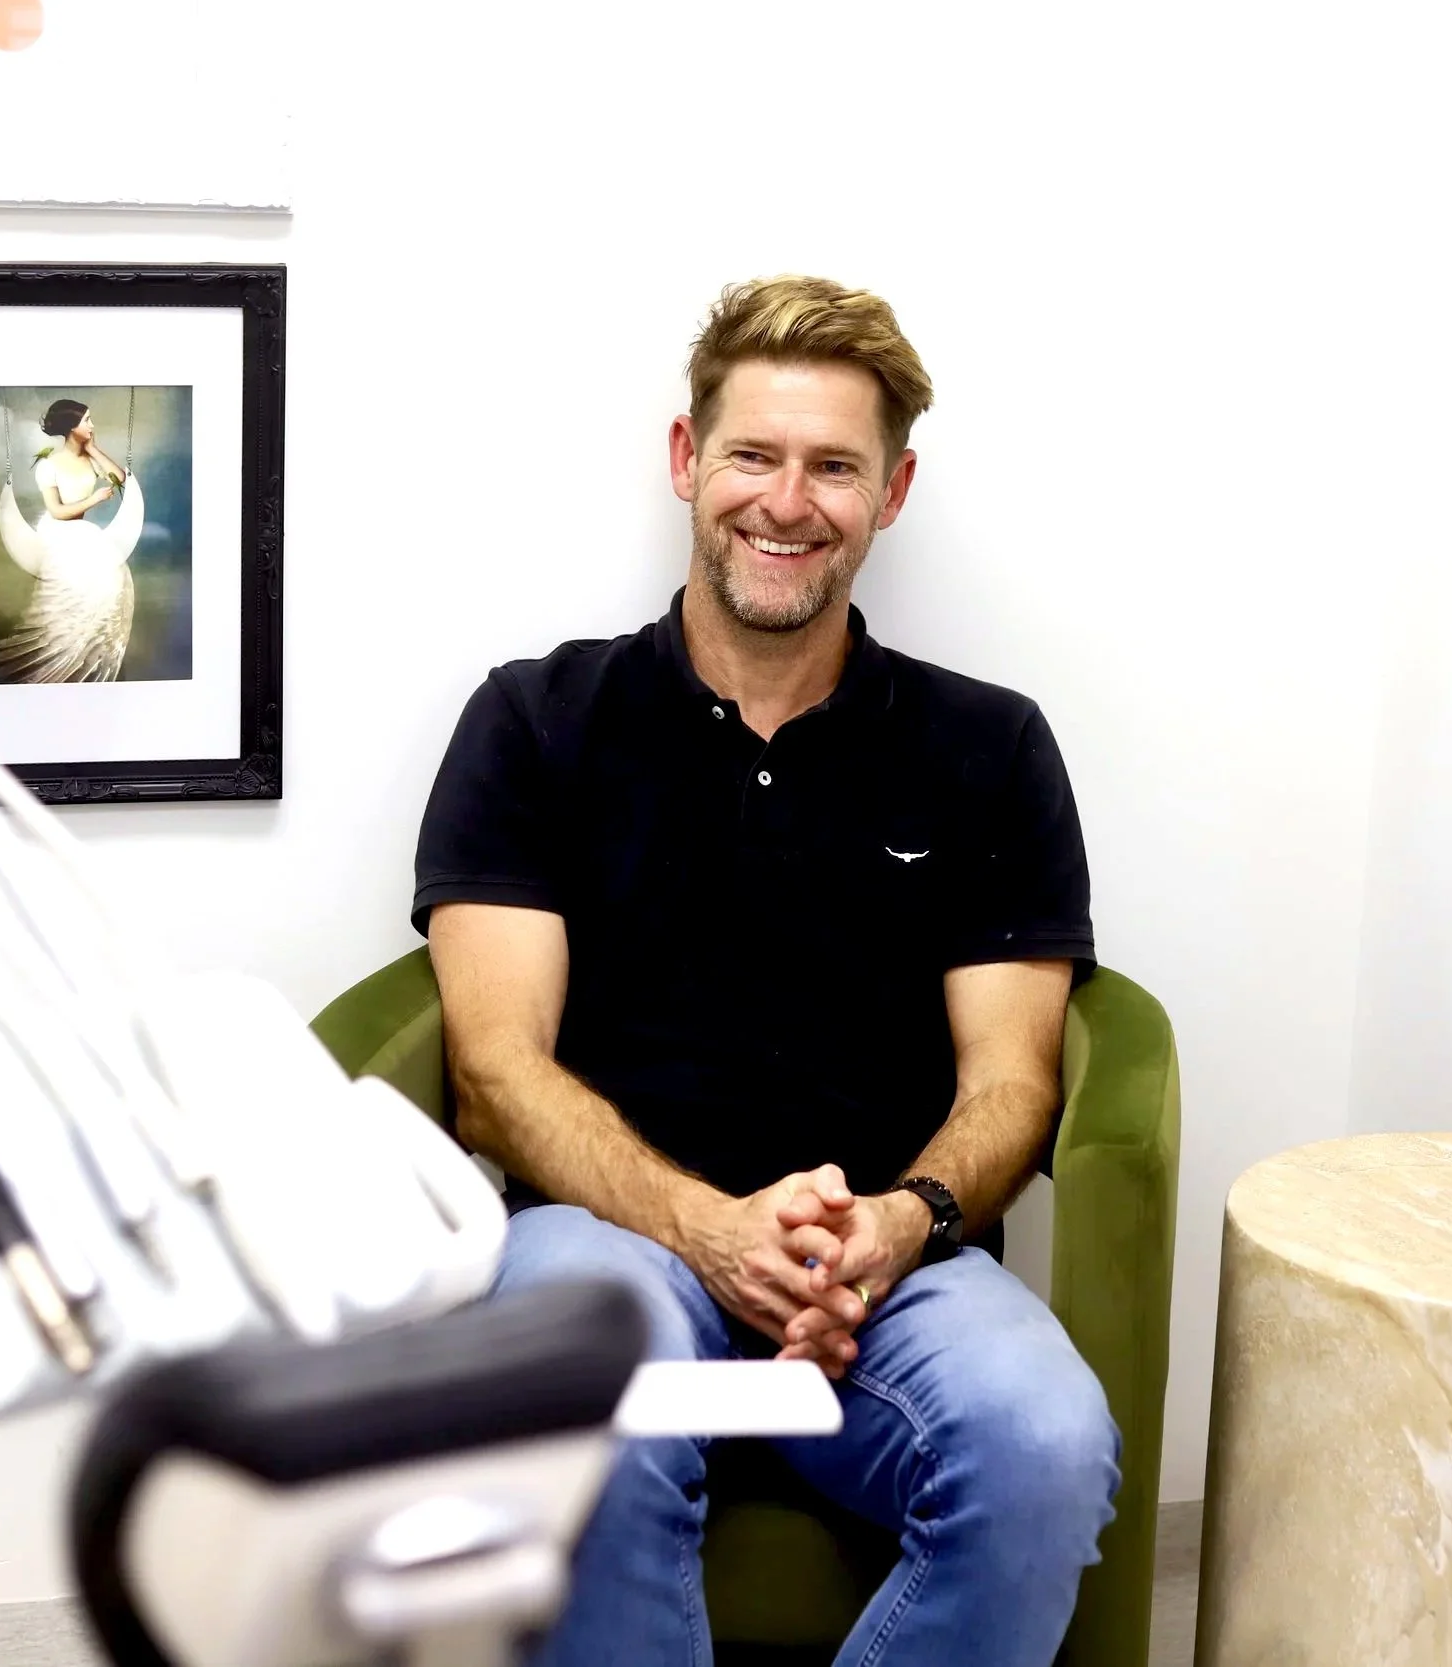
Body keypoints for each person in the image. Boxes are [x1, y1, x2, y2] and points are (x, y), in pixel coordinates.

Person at [412, 276, 1118, 1667]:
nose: (787, 502)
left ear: (891, 491)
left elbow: (1014, 1079)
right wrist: (707, 1227)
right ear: (688, 460)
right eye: (754, 454)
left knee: (1045, 1442)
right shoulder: (534, 721)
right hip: (607, 1231)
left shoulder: (991, 746)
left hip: (887, 1270)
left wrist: (899, 1222)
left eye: (834, 467)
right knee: (577, 1412)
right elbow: (497, 1077)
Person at [0, 397, 138, 683]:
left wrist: (93, 448)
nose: (92, 425)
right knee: (93, 595)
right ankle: (59, 657)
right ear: (72, 428)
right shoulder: (49, 465)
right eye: (87, 421)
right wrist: (93, 499)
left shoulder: (90, 459)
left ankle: (87, 660)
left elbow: (121, 480)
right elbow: (57, 511)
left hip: (81, 536)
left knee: (117, 590)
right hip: (58, 533)